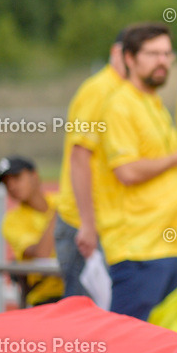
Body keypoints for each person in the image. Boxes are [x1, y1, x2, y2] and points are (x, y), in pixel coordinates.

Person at [99, 23, 177, 321]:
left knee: (159, 347)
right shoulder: (120, 105)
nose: (162, 61)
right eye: (153, 54)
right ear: (130, 58)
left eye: (167, 54)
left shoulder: (154, 104)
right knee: (127, 345)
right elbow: (127, 171)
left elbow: (173, 182)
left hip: (168, 248)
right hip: (138, 250)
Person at [55, 30, 126, 298]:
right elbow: (79, 155)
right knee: (83, 322)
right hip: (83, 221)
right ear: (117, 53)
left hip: (104, 221)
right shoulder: (98, 91)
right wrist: (87, 224)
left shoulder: (124, 92)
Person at [0, 156, 65, 307]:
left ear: (34, 175)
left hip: (81, 290)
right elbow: (42, 254)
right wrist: (60, 213)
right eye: (6, 183)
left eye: (16, 177)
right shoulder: (12, 221)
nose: (12, 186)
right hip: (46, 298)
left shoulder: (60, 200)